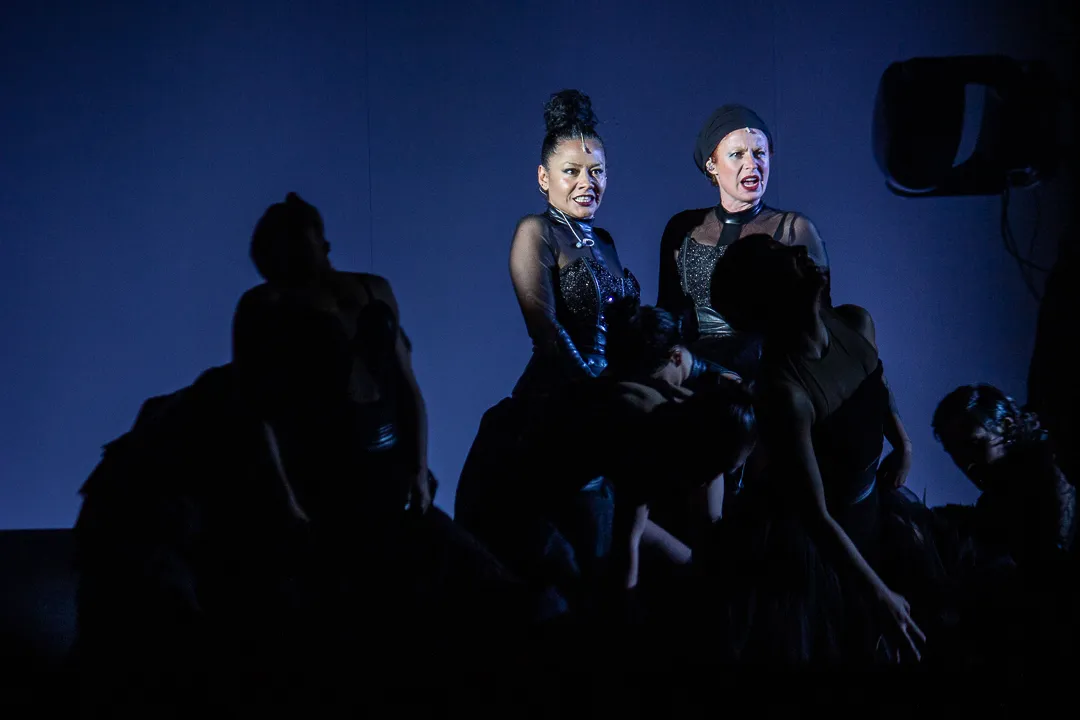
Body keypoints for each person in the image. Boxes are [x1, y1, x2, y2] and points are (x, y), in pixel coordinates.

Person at [659, 105, 912, 493]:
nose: (752, 164)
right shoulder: (684, 228)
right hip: (700, 384)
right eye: (737, 154)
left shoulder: (794, 229)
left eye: (759, 153)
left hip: (769, 389)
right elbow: (669, 314)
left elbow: (834, 337)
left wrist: (901, 442)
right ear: (712, 164)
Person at [703, 233, 927, 664]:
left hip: (873, 509)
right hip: (823, 543)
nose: (800, 251)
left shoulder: (855, 322)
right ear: (767, 291)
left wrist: (904, 443)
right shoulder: (785, 393)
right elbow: (816, 516)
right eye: (780, 255)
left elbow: (876, 381)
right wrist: (878, 594)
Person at [455, 90, 639, 609]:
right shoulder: (534, 231)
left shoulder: (605, 241)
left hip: (607, 405)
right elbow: (547, 333)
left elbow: (624, 332)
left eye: (597, 171)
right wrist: (599, 398)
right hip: (555, 406)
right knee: (570, 559)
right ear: (544, 178)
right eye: (571, 171)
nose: (587, 182)